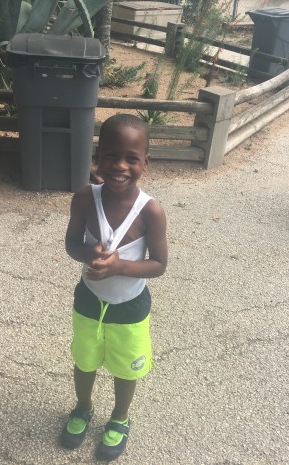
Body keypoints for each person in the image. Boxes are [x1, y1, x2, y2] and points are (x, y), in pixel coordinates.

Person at [62, 113, 168, 461]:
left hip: (130, 307)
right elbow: (71, 244)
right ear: (97, 157)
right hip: (89, 301)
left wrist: (119, 267)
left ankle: (120, 418)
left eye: (131, 158)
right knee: (84, 361)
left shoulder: (150, 211)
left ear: (145, 163)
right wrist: (87, 253)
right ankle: (83, 407)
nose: (120, 166)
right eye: (110, 156)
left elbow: (159, 264)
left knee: (125, 369)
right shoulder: (84, 198)